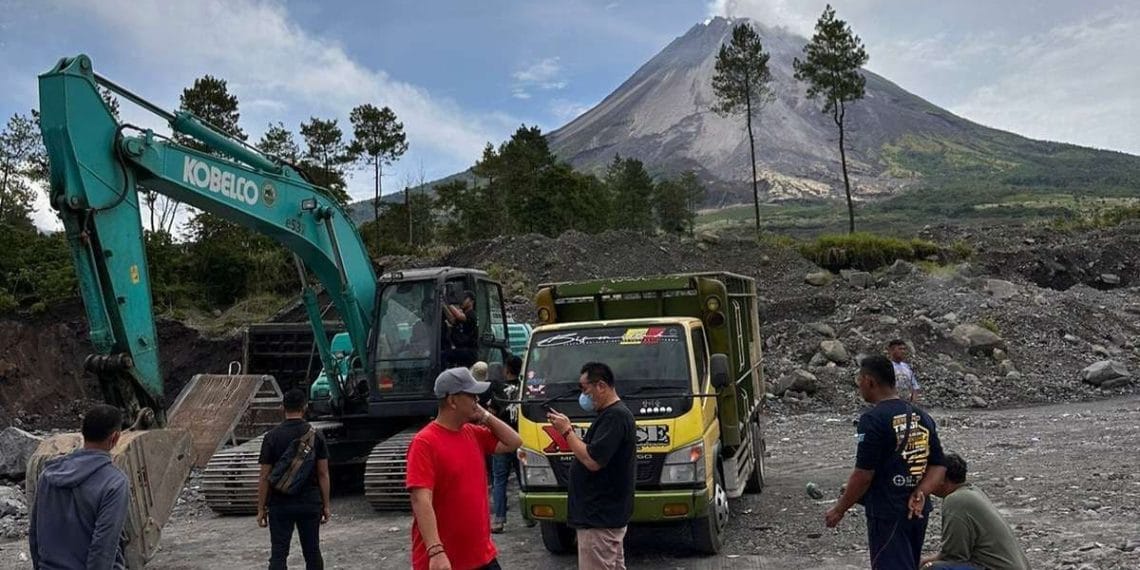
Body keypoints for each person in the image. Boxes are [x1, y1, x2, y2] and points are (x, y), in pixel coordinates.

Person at [825, 355, 947, 570]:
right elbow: (938, 465)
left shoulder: (872, 420)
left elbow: (864, 475)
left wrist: (839, 509)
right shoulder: (922, 416)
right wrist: (921, 493)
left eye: (859, 381)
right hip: (918, 510)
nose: (859, 386)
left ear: (870, 381)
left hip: (888, 512)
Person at [406, 367, 522, 570]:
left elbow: (514, 441)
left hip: (481, 556)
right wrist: (436, 551)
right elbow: (420, 499)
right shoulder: (424, 443)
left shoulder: (472, 433)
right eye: (471, 395)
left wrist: (485, 416)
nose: (477, 400)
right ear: (452, 401)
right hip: (447, 561)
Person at [546, 362, 636, 570]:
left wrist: (567, 432)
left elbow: (592, 460)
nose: (583, 396)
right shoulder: (610, 416)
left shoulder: (615, 416)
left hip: (600, 518)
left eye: (585, 389)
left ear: (601, 386)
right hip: (603, 516)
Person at [29, 404, 129, 569]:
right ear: (115, 438)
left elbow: (35, 534)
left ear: (82, 432)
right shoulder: (114, 483)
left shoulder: (47, 475)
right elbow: (103, 545)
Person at [257, 388, 331, 570]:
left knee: (279, 553)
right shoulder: (316, 436)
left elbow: (264, 476)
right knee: (312, 552)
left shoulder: (271, 437)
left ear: (283, 407)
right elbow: (323, 474)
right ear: (304, 407)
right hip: (309, 502)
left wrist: (261, 508)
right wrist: (326, 505)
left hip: (280, 503)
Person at [920, 453, 1030, 570]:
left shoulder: (956, 500)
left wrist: (922, 562)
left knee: (932, 568)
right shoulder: (973, 491)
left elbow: (954, 555)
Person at [489, 355, 534, 533]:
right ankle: (528, 517)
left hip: (501, 442)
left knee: (499, 480)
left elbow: (491, 413)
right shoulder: (526, 388)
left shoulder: (498, 388)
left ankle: (499, 520)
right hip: (521, 441)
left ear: (506, 369)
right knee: (524, 478)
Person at [444, 291, 478, 367]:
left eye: (465, 298)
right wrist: (443, 305)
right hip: (461, 349)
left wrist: (448, 303)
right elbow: (452, 320)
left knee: (443, 356)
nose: (462, 301)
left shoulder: (471, 314)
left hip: (468, 351)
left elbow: (458, 316)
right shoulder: (465, 315)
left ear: (471, 301)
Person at [889, 339, 922, 404]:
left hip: (906, 404)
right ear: (892, 350)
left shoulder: (907, 367)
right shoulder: (886, 366)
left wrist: (913, 401)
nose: (903, 351)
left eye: (904, 349)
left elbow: (915, 386)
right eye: (900, 349)